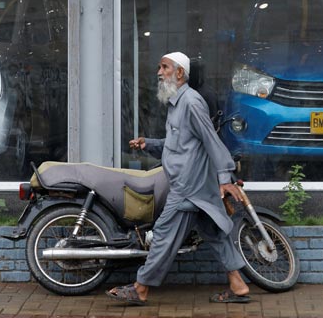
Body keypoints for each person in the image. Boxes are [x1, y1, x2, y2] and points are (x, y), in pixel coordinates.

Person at [106, 52, 251, 305]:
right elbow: (178, 145)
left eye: (165, 67)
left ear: (180, 73)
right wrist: (147, 144)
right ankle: (238, 285)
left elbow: (211, 141)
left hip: (188, 187)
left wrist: (225, 178)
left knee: (163, 234)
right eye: (159, 67)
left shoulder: (192, 103)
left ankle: (140, 289)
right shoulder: (177, 104)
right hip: (194, 186)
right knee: (215, 233)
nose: (159, 73)